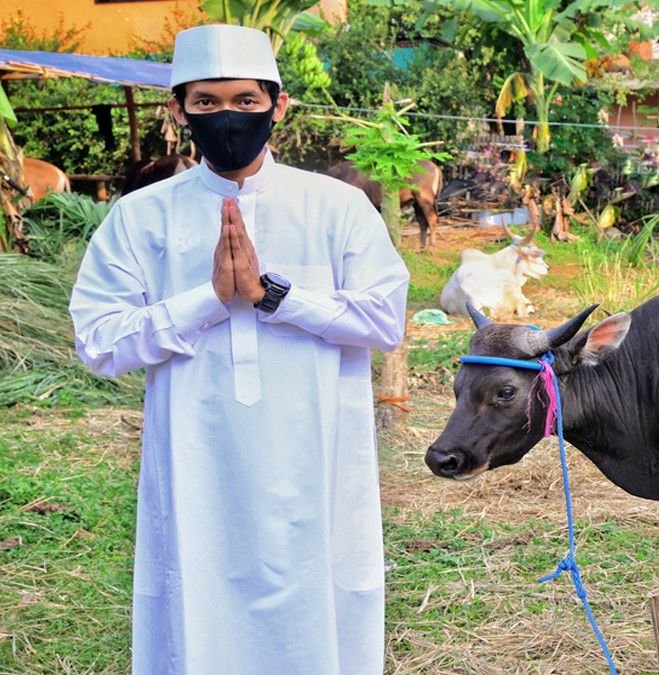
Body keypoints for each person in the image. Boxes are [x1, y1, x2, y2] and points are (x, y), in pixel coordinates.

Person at [69, 24, 408, 673]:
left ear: (278, 106)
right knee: (199, 606)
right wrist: (208, 299)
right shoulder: (141, 216)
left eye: (246, 101)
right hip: (198, 461)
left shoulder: (336, 207)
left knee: (318, 609)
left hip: (316, 459)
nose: (228, 116)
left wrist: (274, 295)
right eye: (207, 102)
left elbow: (383, 318)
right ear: (180, 110)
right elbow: (98, 340)